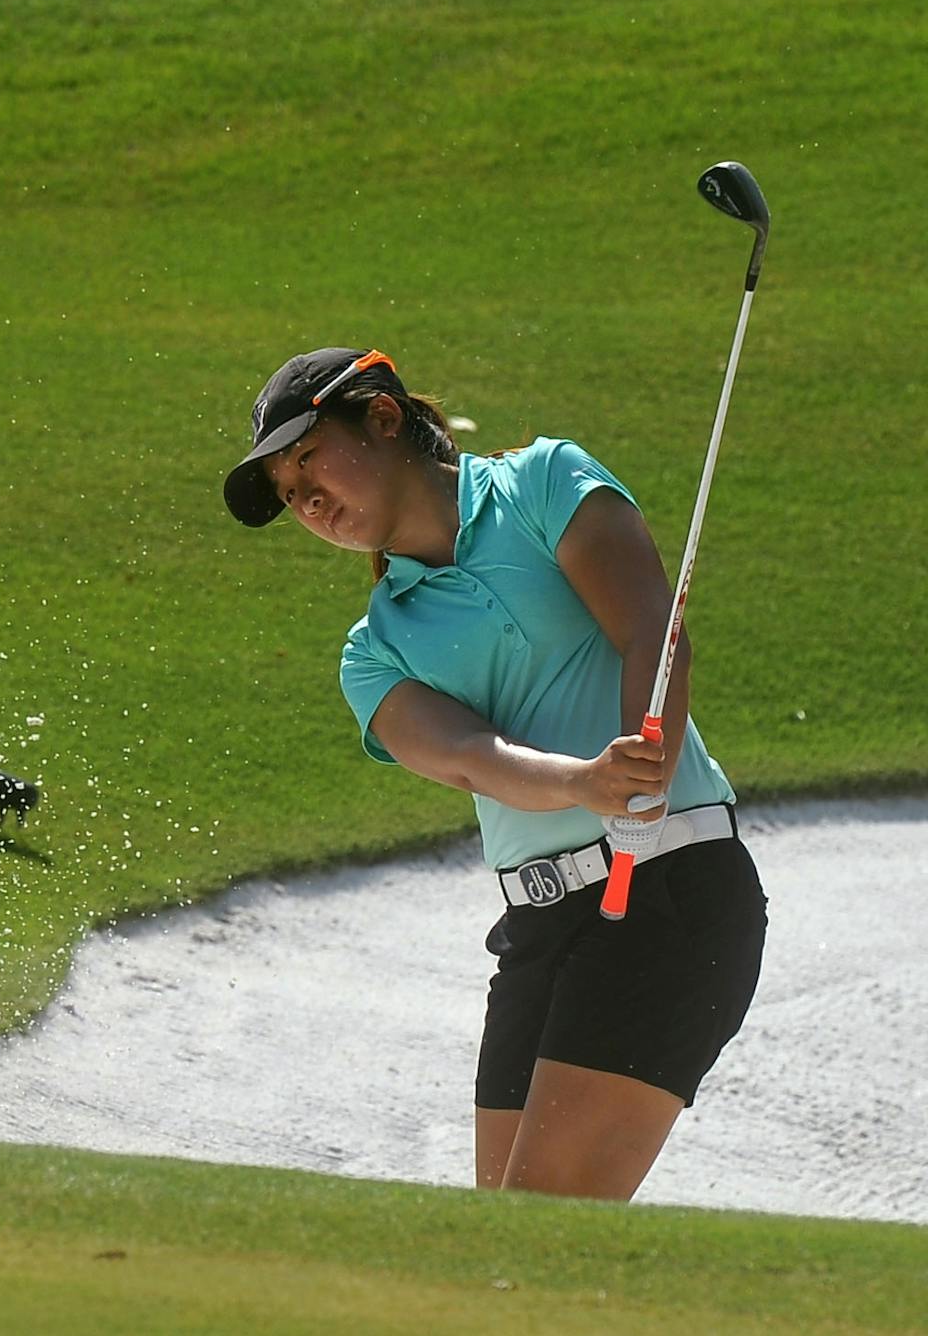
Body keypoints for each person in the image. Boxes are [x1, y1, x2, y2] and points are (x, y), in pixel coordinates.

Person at [223, 347, 766, 1200]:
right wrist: (584, 783)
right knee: (505, 1253)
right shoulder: (375, 652)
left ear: (385, 419)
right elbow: (469, 758)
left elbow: (650, 633)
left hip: (668, 892)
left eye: (307, 458)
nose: (308, 500)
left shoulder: (545, 483)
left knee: (540, 1232)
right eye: (290, 494)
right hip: (539, 933)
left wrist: (639, 766)